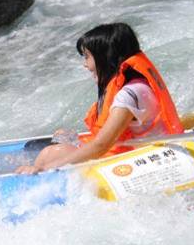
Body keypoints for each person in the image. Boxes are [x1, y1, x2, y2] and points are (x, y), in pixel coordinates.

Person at [16, 23, 183, 174]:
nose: (85, 64)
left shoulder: (129, 95)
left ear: (106, 57)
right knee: (42, 143)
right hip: (132, 146)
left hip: (141, 158)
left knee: (50, 153)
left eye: (87, 56)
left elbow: (101, 145)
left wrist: (44, 169)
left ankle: (32, 176)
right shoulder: (135, 85)